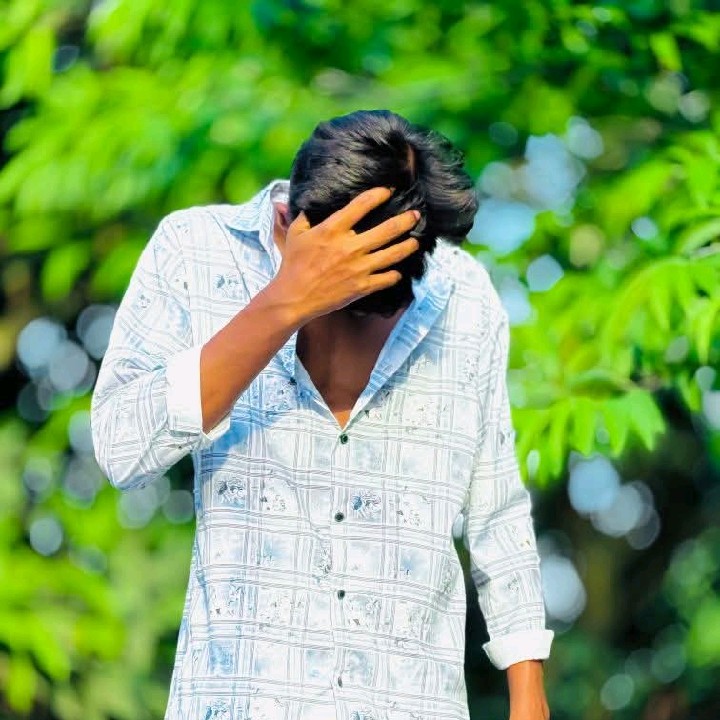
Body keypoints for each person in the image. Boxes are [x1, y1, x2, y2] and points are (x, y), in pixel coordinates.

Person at [91, 109, 553, 720]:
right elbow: (121, 448)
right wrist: (284, 304)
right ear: (288, 222)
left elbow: (497, 507)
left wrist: (527, 689)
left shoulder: (463, 299)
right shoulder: (194, 252)